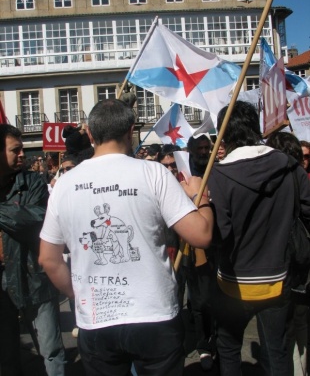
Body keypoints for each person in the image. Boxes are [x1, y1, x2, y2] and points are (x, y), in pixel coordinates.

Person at [39, 99, 214, 376]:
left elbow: (49, 259)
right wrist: (201, 198)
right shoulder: (153, 173)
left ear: (91, 134)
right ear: (131, 130)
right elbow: (202, 235)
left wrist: (77, 292)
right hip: (154, 316)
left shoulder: (64, 184)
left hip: (96, 321)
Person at [208, 101, 310, 376]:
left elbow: (219, 233)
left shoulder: (218, 175)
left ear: (224, 135)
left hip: (232, 282)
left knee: (228, 350)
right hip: (279, 277)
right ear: (255, 128)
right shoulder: (288, 165)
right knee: (277, 352)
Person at [0, 124, 65, 376]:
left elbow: (36, 218)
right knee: (7, 353)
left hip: (33, 277)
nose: (22, 155)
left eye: (21, 150)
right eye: (15, 150)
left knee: (51, 350)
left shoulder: (34, 183)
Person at [266, 131, 309, 376]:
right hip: (298, 259)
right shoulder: (298, 176)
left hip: (281, 260)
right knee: (299, 320)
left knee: (286, 326)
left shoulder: (273, 178)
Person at [185, 134, 217, 371]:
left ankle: (216, 340)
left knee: (215, 298)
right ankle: (203, 344)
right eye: (201, 148)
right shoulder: (184, 173)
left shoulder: (217, 170)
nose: (205, 151)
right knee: (198, 300)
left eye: (208, 147)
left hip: (217, 244)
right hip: (192, 246)